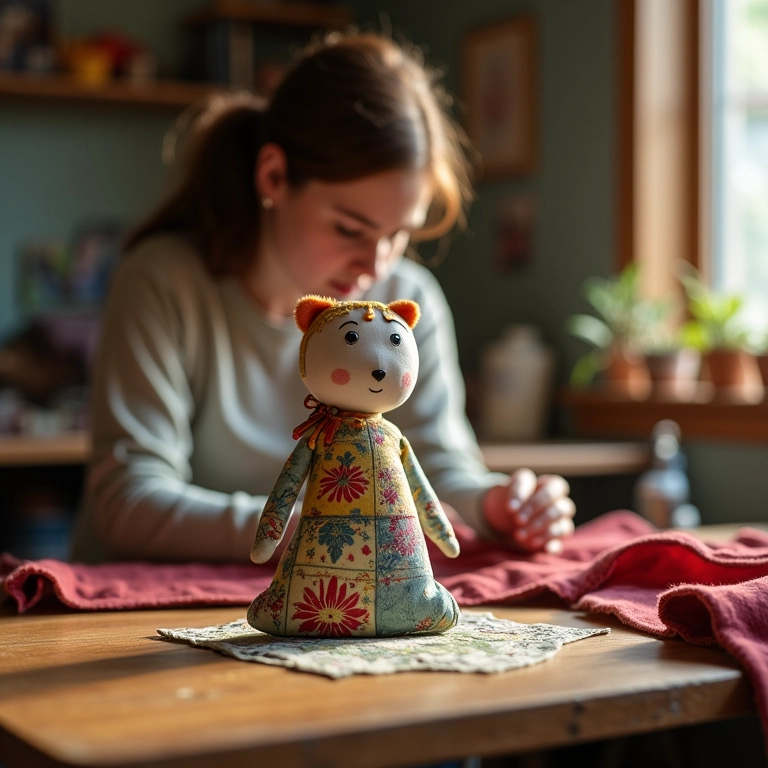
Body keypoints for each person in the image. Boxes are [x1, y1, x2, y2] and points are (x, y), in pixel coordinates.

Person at [72, 31, 576, 563]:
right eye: (349, 228)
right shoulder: (162, 282)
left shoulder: (406, 299)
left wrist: (498, 505)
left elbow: (439, 472)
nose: (377, 264)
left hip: (338, 602)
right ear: (274, 176)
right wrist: (321, 531)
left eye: (398, 233)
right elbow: (127, 503)